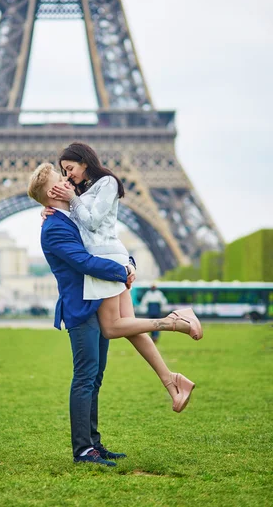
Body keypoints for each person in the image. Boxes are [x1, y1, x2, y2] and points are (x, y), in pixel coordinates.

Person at [41, 143, 202, 411]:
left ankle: (175, 321)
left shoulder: (106, 182)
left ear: (84, 162)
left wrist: (71, 199)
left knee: (112, 327)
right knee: (129, 327)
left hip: (106, 263)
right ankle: (171, 380)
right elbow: (80, 225)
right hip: (108, 261)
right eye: (63, 172)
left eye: (70, 169)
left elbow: (92, 223)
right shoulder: (83, 190)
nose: (67, 176)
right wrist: (52, 208)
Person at [28, 163, 136, 467]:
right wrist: (122, 271)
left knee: (95, 376)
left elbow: (103, 240)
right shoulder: (54, 227)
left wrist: (127, 262)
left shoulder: (70, 217)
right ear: (53, 192)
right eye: (61, 178)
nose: (68, 179)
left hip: (97, 301)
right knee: (85, 377)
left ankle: (94, 444)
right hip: (81, 307)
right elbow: (84, 261)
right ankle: (83, 451)